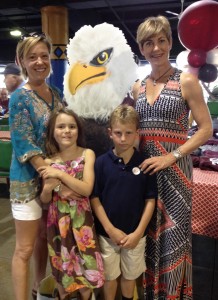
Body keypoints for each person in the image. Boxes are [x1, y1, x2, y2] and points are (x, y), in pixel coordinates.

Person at [133, 16, 213, 299]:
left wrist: (173, 156)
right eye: (148, 43)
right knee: (148, 233)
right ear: (141, 48)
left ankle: (174, 294)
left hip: (177, 172)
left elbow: (206, 129)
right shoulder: (137, 87)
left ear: (169, 42)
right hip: (146, 173)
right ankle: (150, 292)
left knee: (174, 236)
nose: (156, 48)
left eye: (161, 41)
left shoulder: (187, 81)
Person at [9, 32, 64, 300]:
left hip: (52, 179)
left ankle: (38, 291)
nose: (40, 61)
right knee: (24, 248)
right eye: (33, 57)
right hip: (28, 179)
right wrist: (50, 173)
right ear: (22, 61)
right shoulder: (20, 98)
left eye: (44, 55)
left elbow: (63, 132)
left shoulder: (55, 93)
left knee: (45, 239)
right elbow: (24, 143)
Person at [91, 104, 158, 300]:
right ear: (109, 133)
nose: (123, 138)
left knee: (130, 276)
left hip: (135, 235)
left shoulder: (146, 163)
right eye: (118, 133)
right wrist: (110, 229)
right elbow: (95, 198)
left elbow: (150, 200)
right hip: (107, 234)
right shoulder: (101, 163)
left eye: (128, 133)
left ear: (137, 133)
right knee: (110, 276)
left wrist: (138, 233)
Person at [38, 108, 104, 300]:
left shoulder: (87, 154)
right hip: (57, 223)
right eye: (61, 126)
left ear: (78, 131)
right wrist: (50, 189)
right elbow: (44, 199)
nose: (66, 131)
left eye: (71, 126)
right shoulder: (48, 160)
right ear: (53, 131)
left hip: (82, 223)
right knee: (62, 270)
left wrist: (60, 175)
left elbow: (86, 189)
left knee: (86, 271)